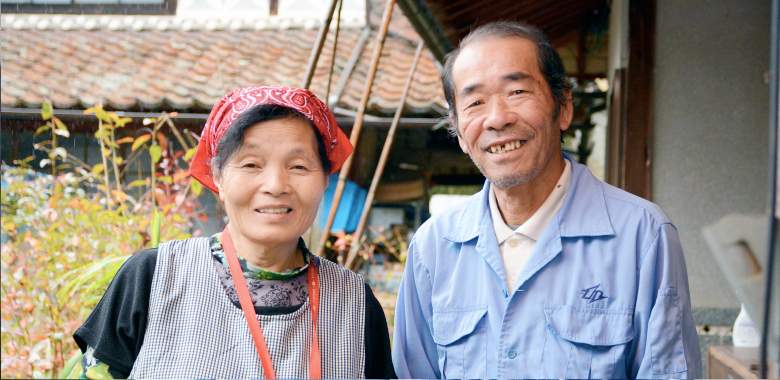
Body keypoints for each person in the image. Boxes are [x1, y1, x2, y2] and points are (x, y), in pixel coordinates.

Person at [392, 21, 701, 379]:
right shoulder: (433, 249)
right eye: (475, 102)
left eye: (517, 91)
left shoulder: (643, 237)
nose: (497, 118)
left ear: (564, 107)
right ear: (460, 131)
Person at [73, 86, 395, 379]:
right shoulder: (152, 278)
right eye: (251, 164)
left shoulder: (355, 303)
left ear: (325, 179)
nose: (275, 186)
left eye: (298, 166)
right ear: (218, 177)